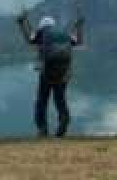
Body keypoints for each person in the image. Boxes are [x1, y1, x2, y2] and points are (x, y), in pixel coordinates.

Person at [17, 8, 84, 138]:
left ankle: (42, 129)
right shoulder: (64, 34)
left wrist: (21, 23)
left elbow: (29, 39)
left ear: (42, 26)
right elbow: (79, 41)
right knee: (60, 99)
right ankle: (63, 122)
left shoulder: (42, 33)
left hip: (47, 72)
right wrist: (79, 26)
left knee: (42, 100)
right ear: (53, 24)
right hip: (63, 73)